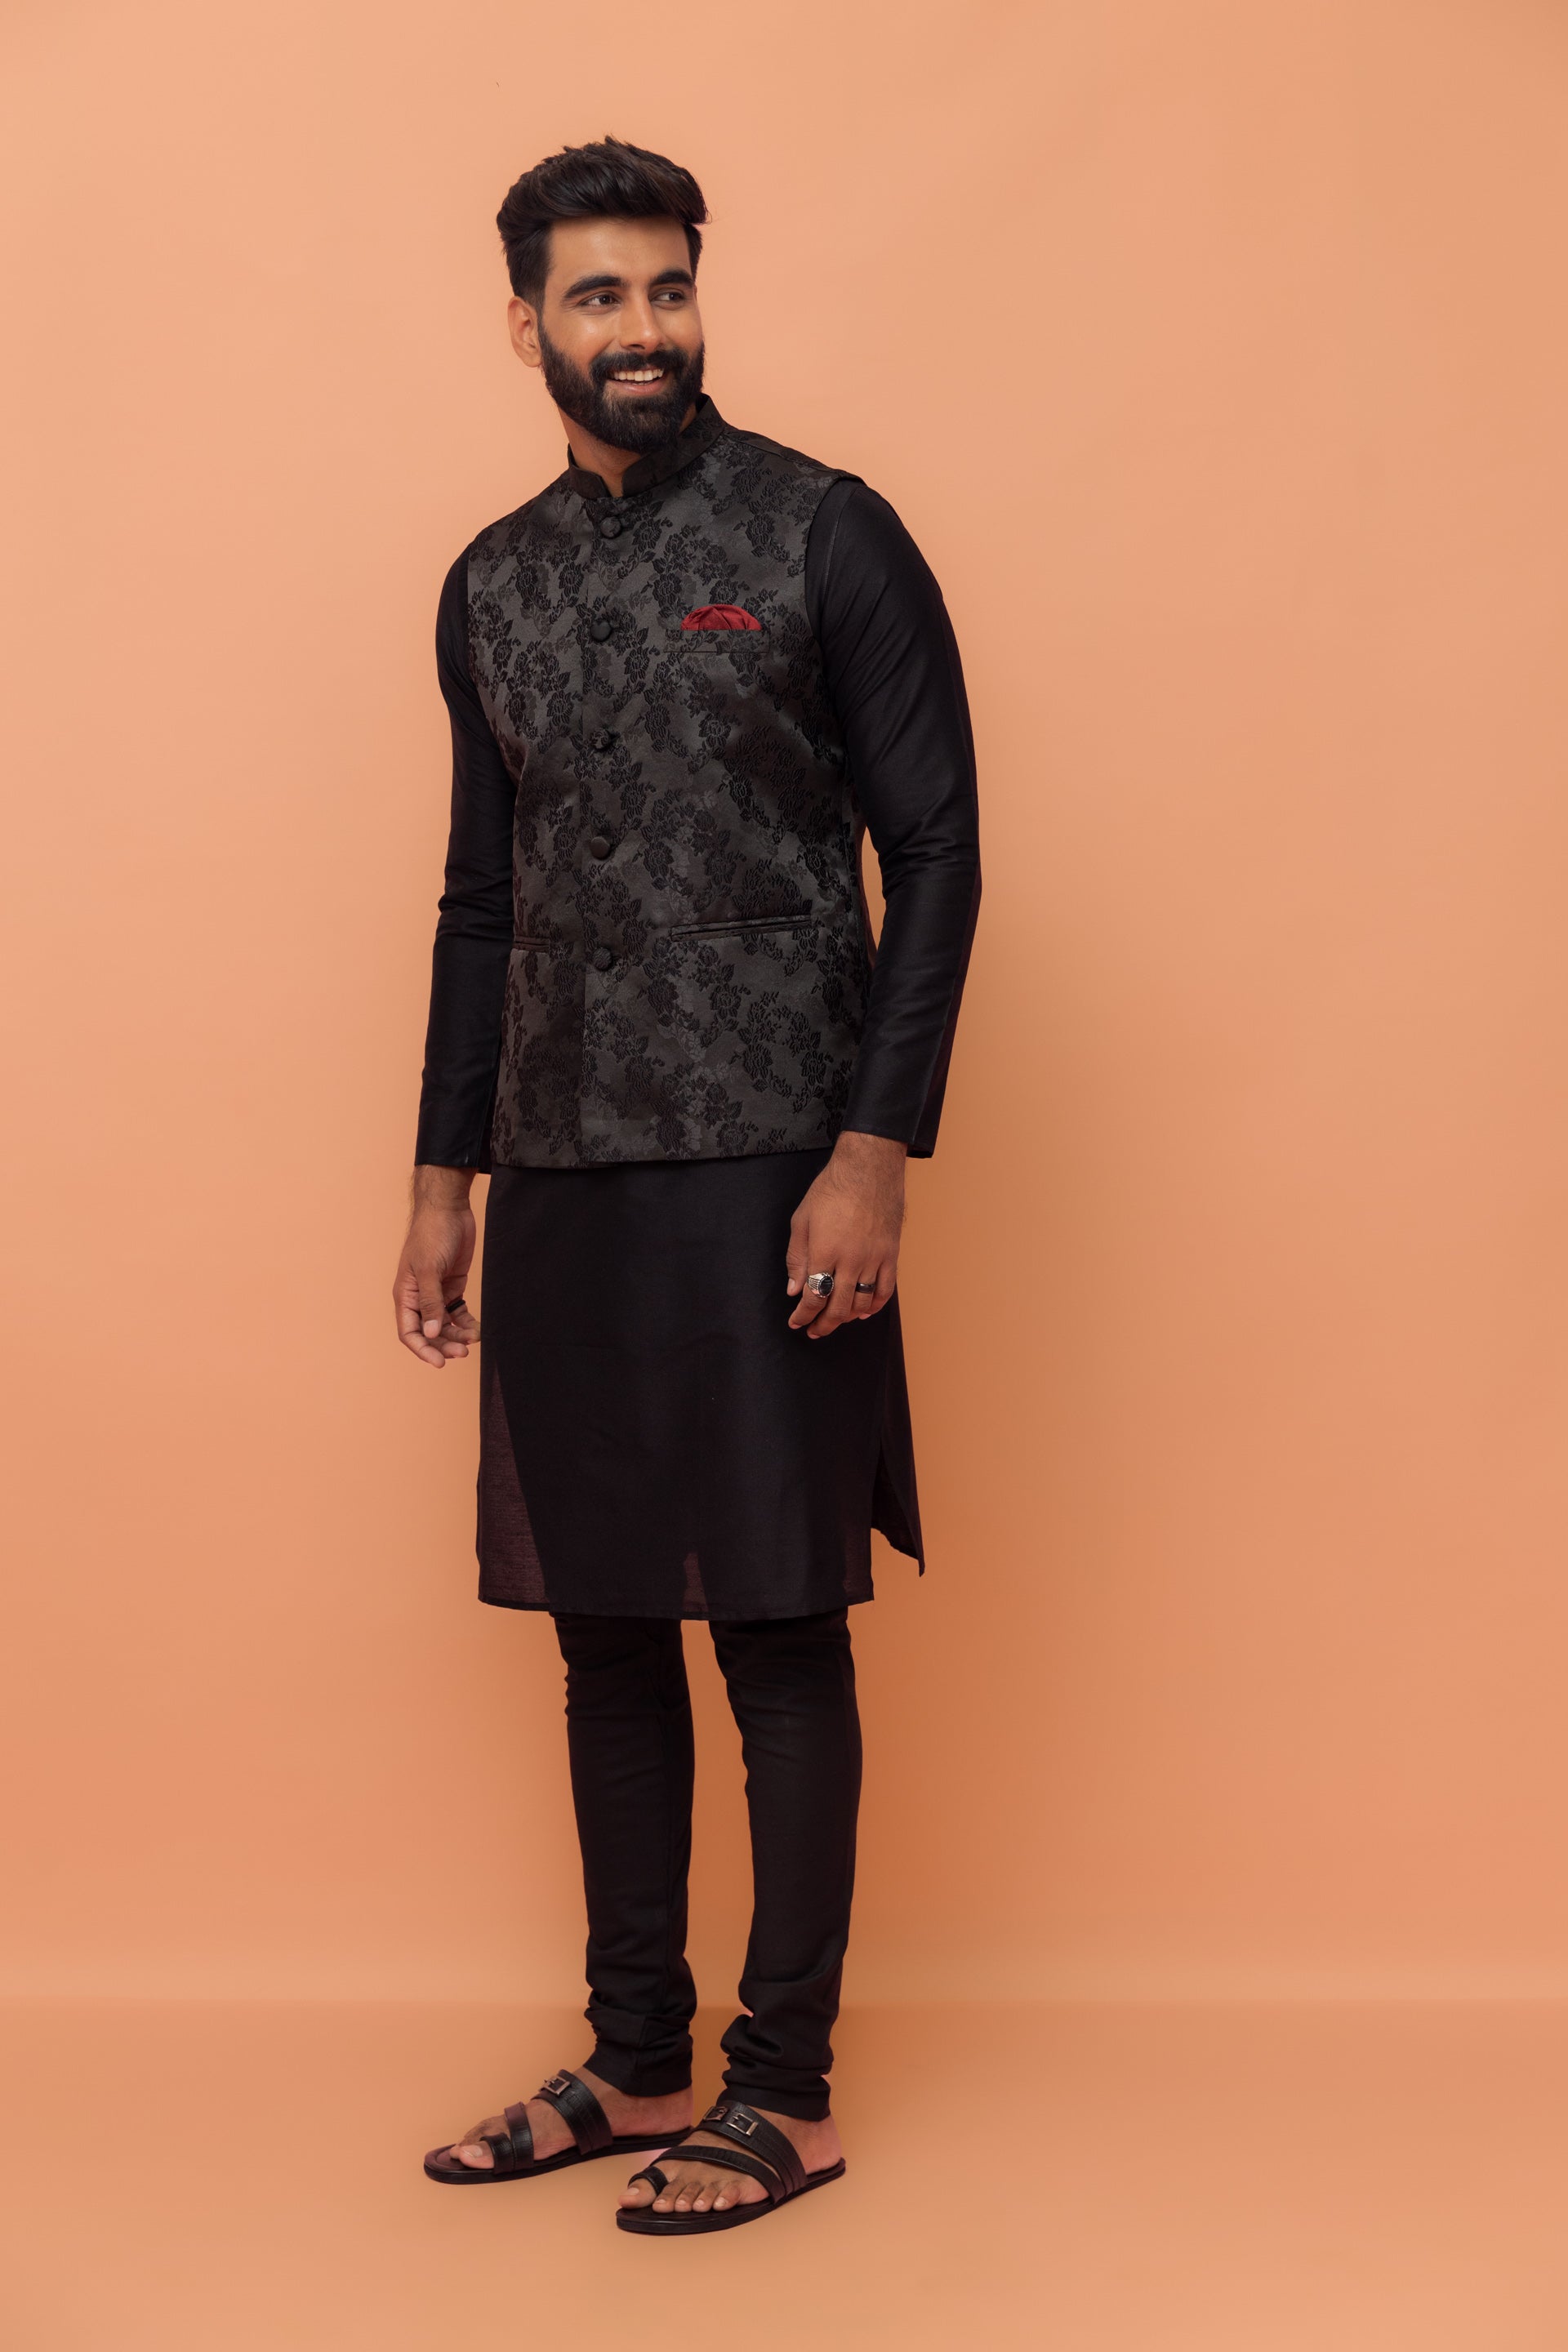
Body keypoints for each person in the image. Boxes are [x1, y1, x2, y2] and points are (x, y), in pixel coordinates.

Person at [395, 136, 979, 2236]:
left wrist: (873, 1153)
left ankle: (783, 2091)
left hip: (774, 1163)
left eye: (667, 289)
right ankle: (639, 2054)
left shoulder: (826, 531)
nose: (642, 329)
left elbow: (941, 855)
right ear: (528, 324)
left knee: (779, 1623)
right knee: (606, 1631)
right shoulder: (491, 584)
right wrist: (444, 1175)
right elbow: (484, 898)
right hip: (562, 1165)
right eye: (598, 296)